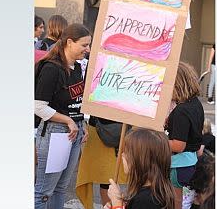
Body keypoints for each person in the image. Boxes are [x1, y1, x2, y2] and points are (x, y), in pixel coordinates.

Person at [34, 23, 91, 209]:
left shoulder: (76, 68)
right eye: (84, 45)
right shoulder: (51, 68)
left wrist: (83, 124)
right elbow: (38, 107)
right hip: (54, 133)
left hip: (74, 132)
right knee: (44, 191)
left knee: (61, 188)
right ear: (69, 43)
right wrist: (67, 120)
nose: (87, 49)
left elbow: (76, 101)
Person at [165, 62, 205, 209]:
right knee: (186, 201)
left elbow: (178, 145)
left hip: (178, 164)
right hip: (191, 161)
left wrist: (158, 140)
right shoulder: (195, 104)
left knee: (176, 201)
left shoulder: (182, 110)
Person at [105, 128, 176, 209]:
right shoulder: (156, 191)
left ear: (141, 161)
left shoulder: (146, 200)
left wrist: (116, 204)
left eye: (127, 152)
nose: (122, 154)